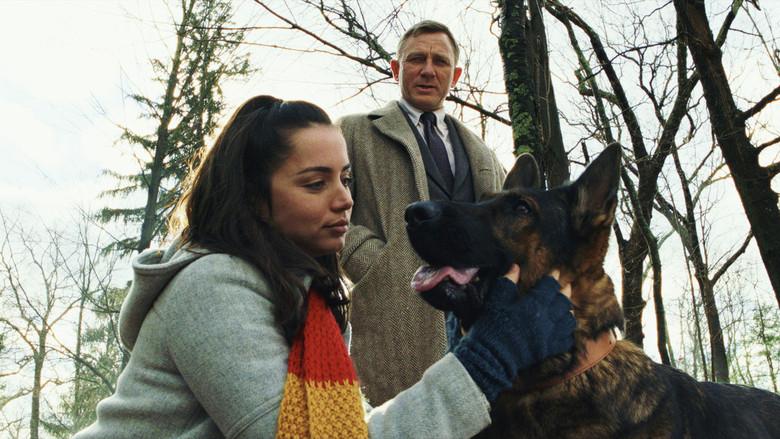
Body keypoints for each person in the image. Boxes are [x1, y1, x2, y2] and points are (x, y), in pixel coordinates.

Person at [73, 95, 575, 438]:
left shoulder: (308, 303)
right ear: (254, 199)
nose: (344, 201)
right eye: (315, 184)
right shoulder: (211, 286)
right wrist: (489, 355)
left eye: (346, 179)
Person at [338, 20, 507, 404]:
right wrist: (375, 264)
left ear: (455, 75)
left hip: (472, 321)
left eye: (440, 61)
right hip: (396, 313)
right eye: (416, 59)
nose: (428, 70)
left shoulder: (482, 151)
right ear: (397, 69)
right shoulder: (353, 132)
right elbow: (326, 210)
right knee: (401, 421)